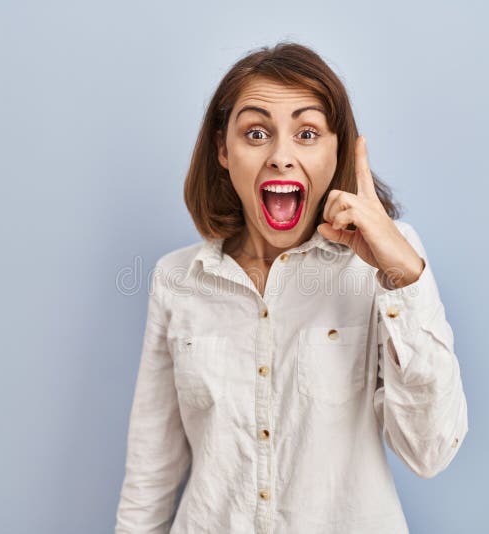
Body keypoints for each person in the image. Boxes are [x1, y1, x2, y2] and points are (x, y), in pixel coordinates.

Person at [114, 41, 469, 534]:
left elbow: (429, 450)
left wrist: (404, 277)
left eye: (307, 133)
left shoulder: (386, 267)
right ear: (222, 149)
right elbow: (150, 472)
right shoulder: (175, 280)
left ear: (337, 147)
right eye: (256, 132)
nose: (281, 156)